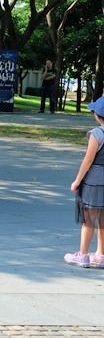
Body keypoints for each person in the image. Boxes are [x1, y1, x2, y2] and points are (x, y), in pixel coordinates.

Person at [64, 97, 104, 268]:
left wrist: (77, 180)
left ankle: (83, 254)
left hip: (94, 180)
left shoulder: (96, 134)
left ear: (98, 115)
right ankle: (101, 255)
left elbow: (88, 160)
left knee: (88, 219)